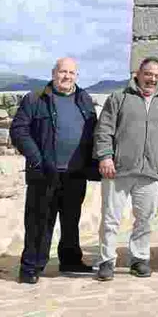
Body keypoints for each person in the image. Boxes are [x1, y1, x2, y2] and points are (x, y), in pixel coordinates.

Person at [11, 57, 98, 284]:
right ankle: (31, 266)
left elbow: (94, 132)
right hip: (44, 173)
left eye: (71, 73)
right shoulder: (35, 99)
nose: (66, 76)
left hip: (75, 173)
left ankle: (70, 260)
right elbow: (19, 130)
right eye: (62, 72)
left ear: (76, 76)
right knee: (39, 222)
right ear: (53, 73)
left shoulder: (85, 99)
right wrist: (37, 159)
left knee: (71, 220)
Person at [94, 57, 158, 281]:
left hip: (150, 171)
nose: (152, 79)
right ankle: (106, 261)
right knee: (111, 218)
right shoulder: (118, 98)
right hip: (118, 169)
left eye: (157, 76)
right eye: (148, 74)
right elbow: (104, 131)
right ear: (138, 74)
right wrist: (105, 157)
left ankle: (139, 259)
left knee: (145, 218)